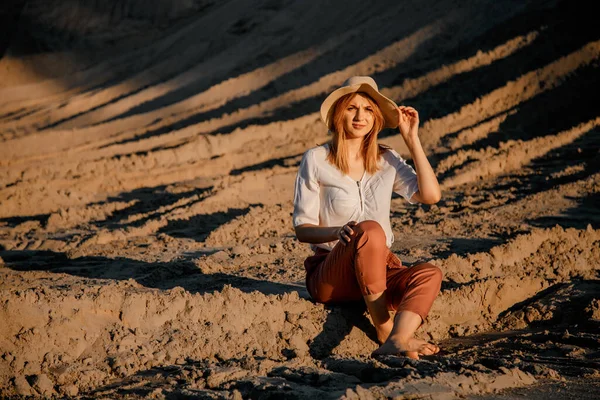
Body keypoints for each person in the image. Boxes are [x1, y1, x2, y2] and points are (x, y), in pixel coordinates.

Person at [292, 76, 443, 359]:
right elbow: (302, 229)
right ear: (339, 113)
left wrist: (412, 140)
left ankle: (398, 338)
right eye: (351, 108)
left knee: (429, 274)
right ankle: (385, 330)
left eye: (368, 109)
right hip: (331, 275)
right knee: (371, 230)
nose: (360, 116)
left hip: (378, 269)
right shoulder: (316, 159)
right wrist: (337, 232)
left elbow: (431, 196)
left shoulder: (387, 159)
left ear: (376, 118)